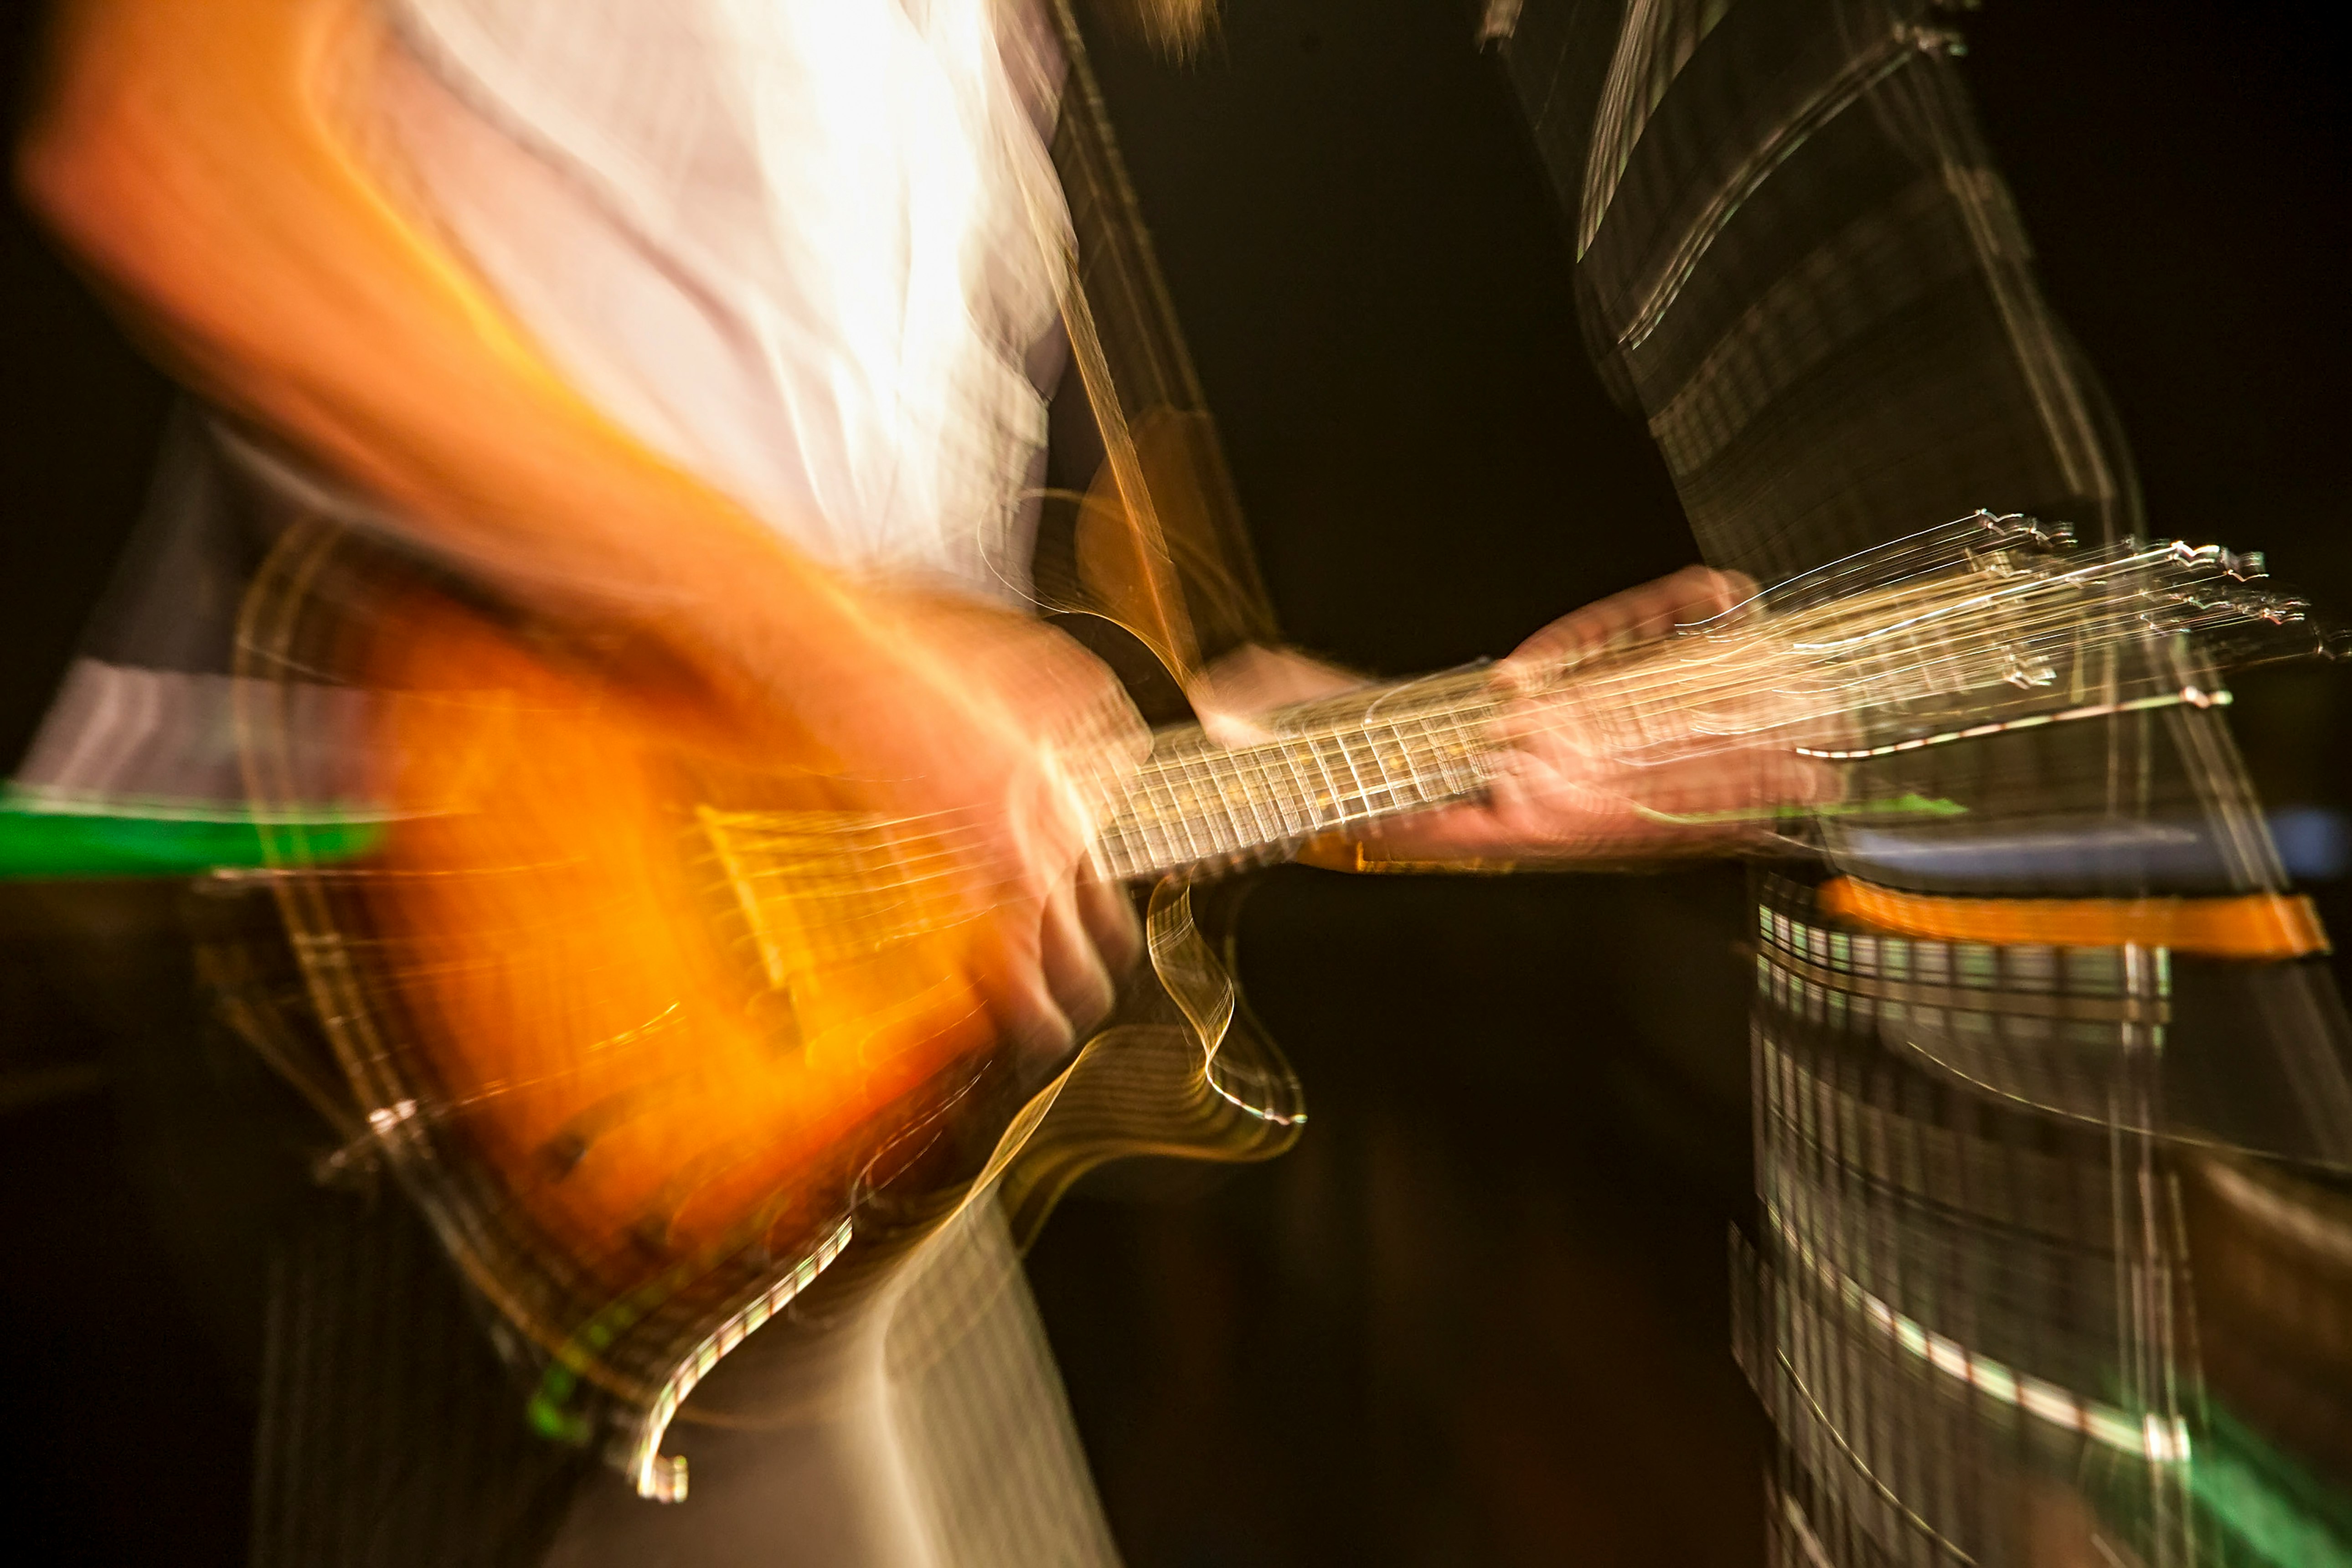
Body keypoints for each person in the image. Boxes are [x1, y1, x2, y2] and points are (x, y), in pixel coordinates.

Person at [15, 0, 1826, 1561]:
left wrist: (1461, 747)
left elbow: (978, 709)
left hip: (760, 1127)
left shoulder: (980, 62)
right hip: (412, 969)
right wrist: (836, 649)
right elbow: (175, 156)